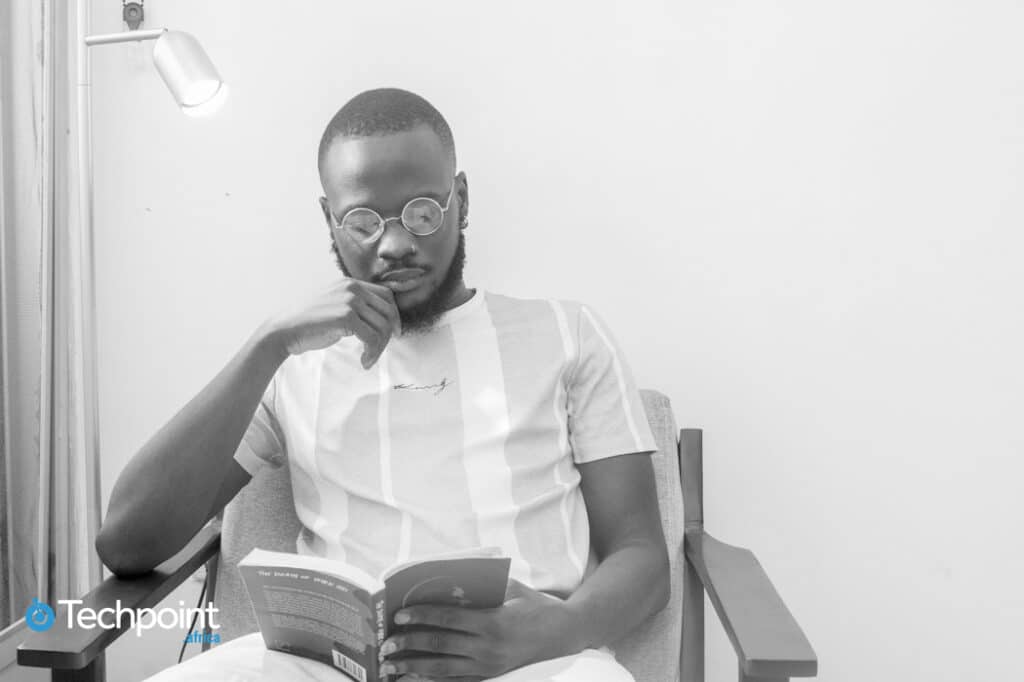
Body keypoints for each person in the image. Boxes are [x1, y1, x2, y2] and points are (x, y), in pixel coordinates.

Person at [98, 88, 669, 681]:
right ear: (330, 221)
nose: (396, 245)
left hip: (528, 659)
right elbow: (128, 544)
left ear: (462, 200)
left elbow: (644, 561)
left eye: (423, 211)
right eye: (364, 222)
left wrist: (555, 630)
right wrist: (267, 345)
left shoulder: (565, 333)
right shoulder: (295, 363)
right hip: (325, 666)